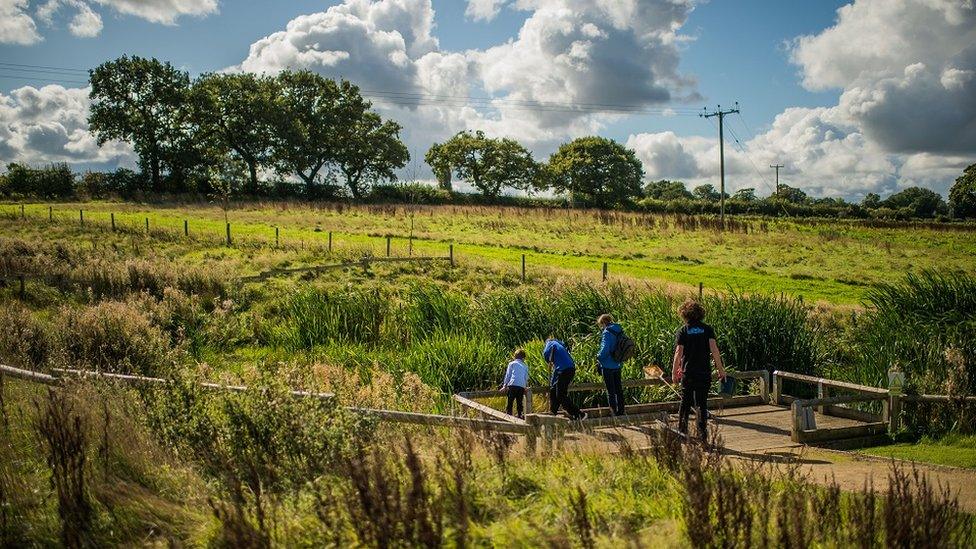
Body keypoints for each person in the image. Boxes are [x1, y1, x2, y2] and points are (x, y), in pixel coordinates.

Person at [672, 299, 726, 441]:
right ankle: (702, 434)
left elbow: (679, 353)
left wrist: (674, 372)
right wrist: (721, 370)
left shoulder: (683, 330)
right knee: (702, 403)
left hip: (688, 373)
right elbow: (715, 351)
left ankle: (682, 432)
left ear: (684, 314)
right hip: (704, 372)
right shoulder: (707, 329)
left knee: (685, 403)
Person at [543, 337, 586, 420]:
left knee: (560, 395)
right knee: (553, 389)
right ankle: (553, 412)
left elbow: (546, 353)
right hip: (569, 369)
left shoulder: (550, 343)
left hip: (564, 370)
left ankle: (579, 414)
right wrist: (552, 383)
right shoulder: (560, 346)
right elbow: (555, 373)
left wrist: (548, 360)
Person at [596, 314, 626, 416]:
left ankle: (613, 412)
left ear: (604, 323)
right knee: (619, 389)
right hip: (618, 364)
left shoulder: (607, 332)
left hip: (607, 365)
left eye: (601, 325)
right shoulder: (619, 330)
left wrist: (598, 357)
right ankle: (621, 411)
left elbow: (605, 349)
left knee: (610, 391)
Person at [500, 349, 529, 418]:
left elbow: (508, 375)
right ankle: (520, 416)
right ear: (523, 358)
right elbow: (526, 377)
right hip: (521, 386)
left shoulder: (511, 364)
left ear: (515, 356)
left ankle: (509, 416)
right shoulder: (525, 366)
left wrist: (504, 386)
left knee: (510, 401)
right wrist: (525, 387)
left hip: (513, 384)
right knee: (519, 402)